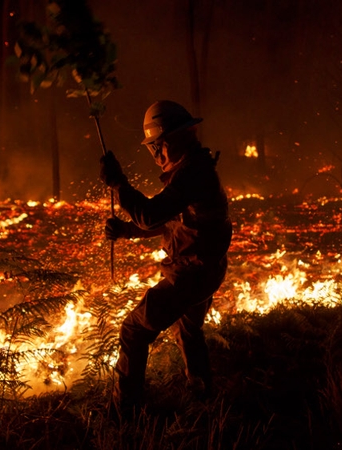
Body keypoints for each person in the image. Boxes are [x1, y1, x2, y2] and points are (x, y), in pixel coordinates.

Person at [99, 100, 233, 414]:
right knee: (188, 328)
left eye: (158, 147)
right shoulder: (193, 169)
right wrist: (129, 231)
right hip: (206, 269)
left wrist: (118, 183)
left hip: (191, 273)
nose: (157, 155)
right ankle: (201, 392)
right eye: (153, 149)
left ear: (172, 140)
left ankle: (125, 413)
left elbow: (150, 215)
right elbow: (174, 221)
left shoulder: (191, 174)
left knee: (133, 331)